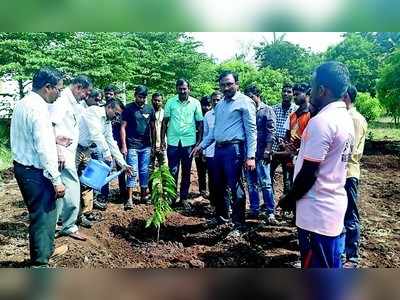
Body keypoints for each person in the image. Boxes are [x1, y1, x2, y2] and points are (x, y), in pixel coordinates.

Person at [279, 61, 355, 268]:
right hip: (331, 207)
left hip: (317, 214)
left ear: (322, 90)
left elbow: (309, 173)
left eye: (312, 86)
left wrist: (288, 199)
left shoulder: (322, 122)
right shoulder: (345, 118)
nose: (309, 92)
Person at [10, 67, 66, 267]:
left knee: (41, 214)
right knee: (44, 216)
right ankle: (40, 264)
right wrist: (57, 180)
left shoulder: (22, 103)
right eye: (58, 90)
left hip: (22, 167)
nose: (60, 94)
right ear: (47, 87)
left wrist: (54, 138)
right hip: (35, 171)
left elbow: (29, 137)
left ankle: (43, 252)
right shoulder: (39, 109)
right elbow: (44, 150)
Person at [192, 70, 257, 234]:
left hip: (234, 150)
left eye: (229, 84)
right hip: (219, 150)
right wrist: (201, 146)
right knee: (218, 186)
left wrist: (250, 156)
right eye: (223, 85)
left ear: (237, 84)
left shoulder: (245, 102)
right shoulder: (220, 105)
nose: (226, 87)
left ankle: (239, 224)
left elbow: (251, 131)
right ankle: (221, 216)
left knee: (236, 187)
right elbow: (214, 132)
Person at [48, 75, 92, 241]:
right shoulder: (62, 101)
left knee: (60, 192)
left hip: (67, 152)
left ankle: (55, 226)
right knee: (73, 187)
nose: (85, 97)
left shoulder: (73, 102)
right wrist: (58, 150)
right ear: (78, 87)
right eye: (85, 93)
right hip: (62, 154)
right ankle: (69, 226)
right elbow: (51, 125)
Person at [77, 99, 132, 223]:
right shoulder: (94, 112)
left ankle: (84, 213)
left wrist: (123, 163)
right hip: (75, 148)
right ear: (109, 108)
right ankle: (65, 216)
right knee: (73, 182)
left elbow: (111, 141)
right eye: (116, 113)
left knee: (88, 182)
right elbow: (95, 134)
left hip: (87, 150)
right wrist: (106, 154)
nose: (117, 117)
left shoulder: (107, 121)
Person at [161, 79, 203, 208]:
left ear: (189, 89)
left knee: (186, 171)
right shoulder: (170, 102)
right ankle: (171, 198)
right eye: (180, 88)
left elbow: (200, 124)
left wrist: (199, 142)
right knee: (172, 171)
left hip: (189, 143)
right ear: (176, 89)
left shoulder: (195, 103)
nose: (182, 91)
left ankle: (184, 198)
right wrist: (162, 140)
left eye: (185, 88)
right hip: (173, 142)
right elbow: (164, 122)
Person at [342, 85, 368, 268]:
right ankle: (343, 251)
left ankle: (352, 256)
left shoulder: (355, 119)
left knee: (350, 213)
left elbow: (352, 150)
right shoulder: (346, 117)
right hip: (341, 172)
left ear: (346, 97)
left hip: (348, 172)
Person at [243, 84, 277, 224]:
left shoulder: (267, 110)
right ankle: (255, 209)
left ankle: (270, 211)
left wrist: (267, 151)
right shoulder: (246, 111)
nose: (250, 100)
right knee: (251, 183)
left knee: (266, 184)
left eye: (252, 97)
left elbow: (271, 133)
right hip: (249, 153)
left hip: (262, 152)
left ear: (258, 96)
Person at [121, 85, 156, 209]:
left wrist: (153, 145)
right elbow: (123, 127)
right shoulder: (128, 109)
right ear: (135, 95)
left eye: (144, 97)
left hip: (146, 145)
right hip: (132, 145)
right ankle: (129, 199)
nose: (141, 99)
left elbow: (153, 128)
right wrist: (124, 145)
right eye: (140, 96)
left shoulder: (149, 109)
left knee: (144, 171)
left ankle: (143, 196)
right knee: (132, 171)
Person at [270, 83, 297, 195]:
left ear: (293, 94)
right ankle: (269, 202)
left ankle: (286, 206)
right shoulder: (274, 109)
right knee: (269, 175)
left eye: (289, 92)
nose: (286, 94)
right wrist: (278, 139)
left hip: (288, 151)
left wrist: (286, 142)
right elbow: (271, 127)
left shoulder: (296, 110)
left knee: (288, 179)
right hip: (275, 148)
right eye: (284, 91)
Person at [202, 91, 223, 208]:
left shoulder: (227, 113)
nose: (216, 102)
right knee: (212, 179)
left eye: (218, 100)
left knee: (223, 180)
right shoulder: (208, 115)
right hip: (210, 152)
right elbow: (206, 134)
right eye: (214, 100)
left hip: (224, 152)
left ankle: (225, 205)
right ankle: (213, 203)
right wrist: (204, 152)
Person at [195, 96, 212, 198]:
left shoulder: (213, 115)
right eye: (204, 105)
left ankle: (211, 190)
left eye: (208, 105)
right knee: (200, 169)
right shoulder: (198, 116)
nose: (206, 107)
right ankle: (202, 190)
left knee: (211, 171)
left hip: (210, 148)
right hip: (199, 146)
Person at [150, 92, 167, 167]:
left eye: (158, 100)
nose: (156, 102)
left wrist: (163, 143)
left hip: (162, 145)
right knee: (150, 168)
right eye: (155, 100)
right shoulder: (148, 112)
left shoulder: (165, 113)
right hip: (149, 145)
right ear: (151, 100)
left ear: (162, 101)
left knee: (164, 168)